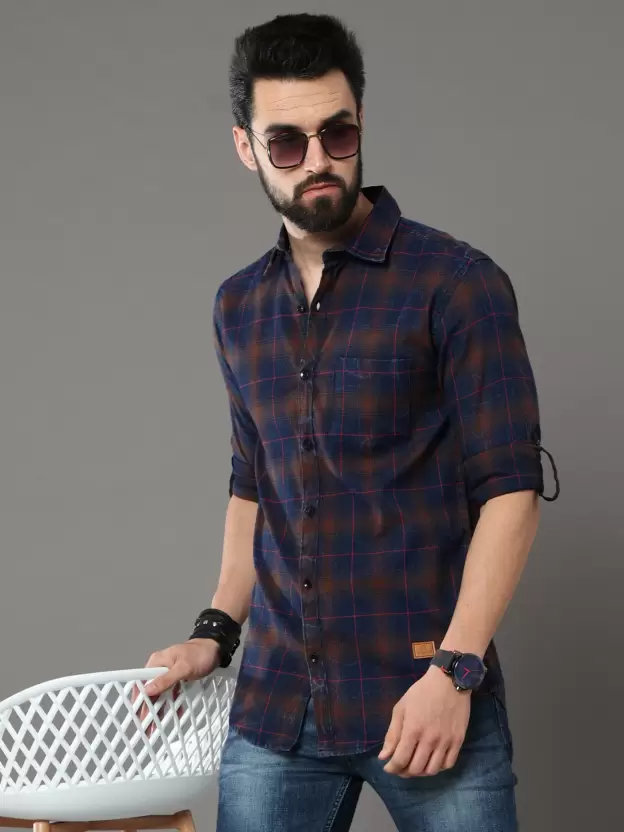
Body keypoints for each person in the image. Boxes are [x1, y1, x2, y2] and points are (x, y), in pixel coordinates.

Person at [141, 13, 559, 831]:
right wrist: (214, 633)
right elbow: (253, 485)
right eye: (286, 142)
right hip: (277, 708)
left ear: (361, 120)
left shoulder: (456, 283)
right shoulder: (238, 306)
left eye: (337, 133)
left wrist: (456, 672)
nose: (318, 160)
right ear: (246, 147)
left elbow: (510, 494)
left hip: (425, 695)